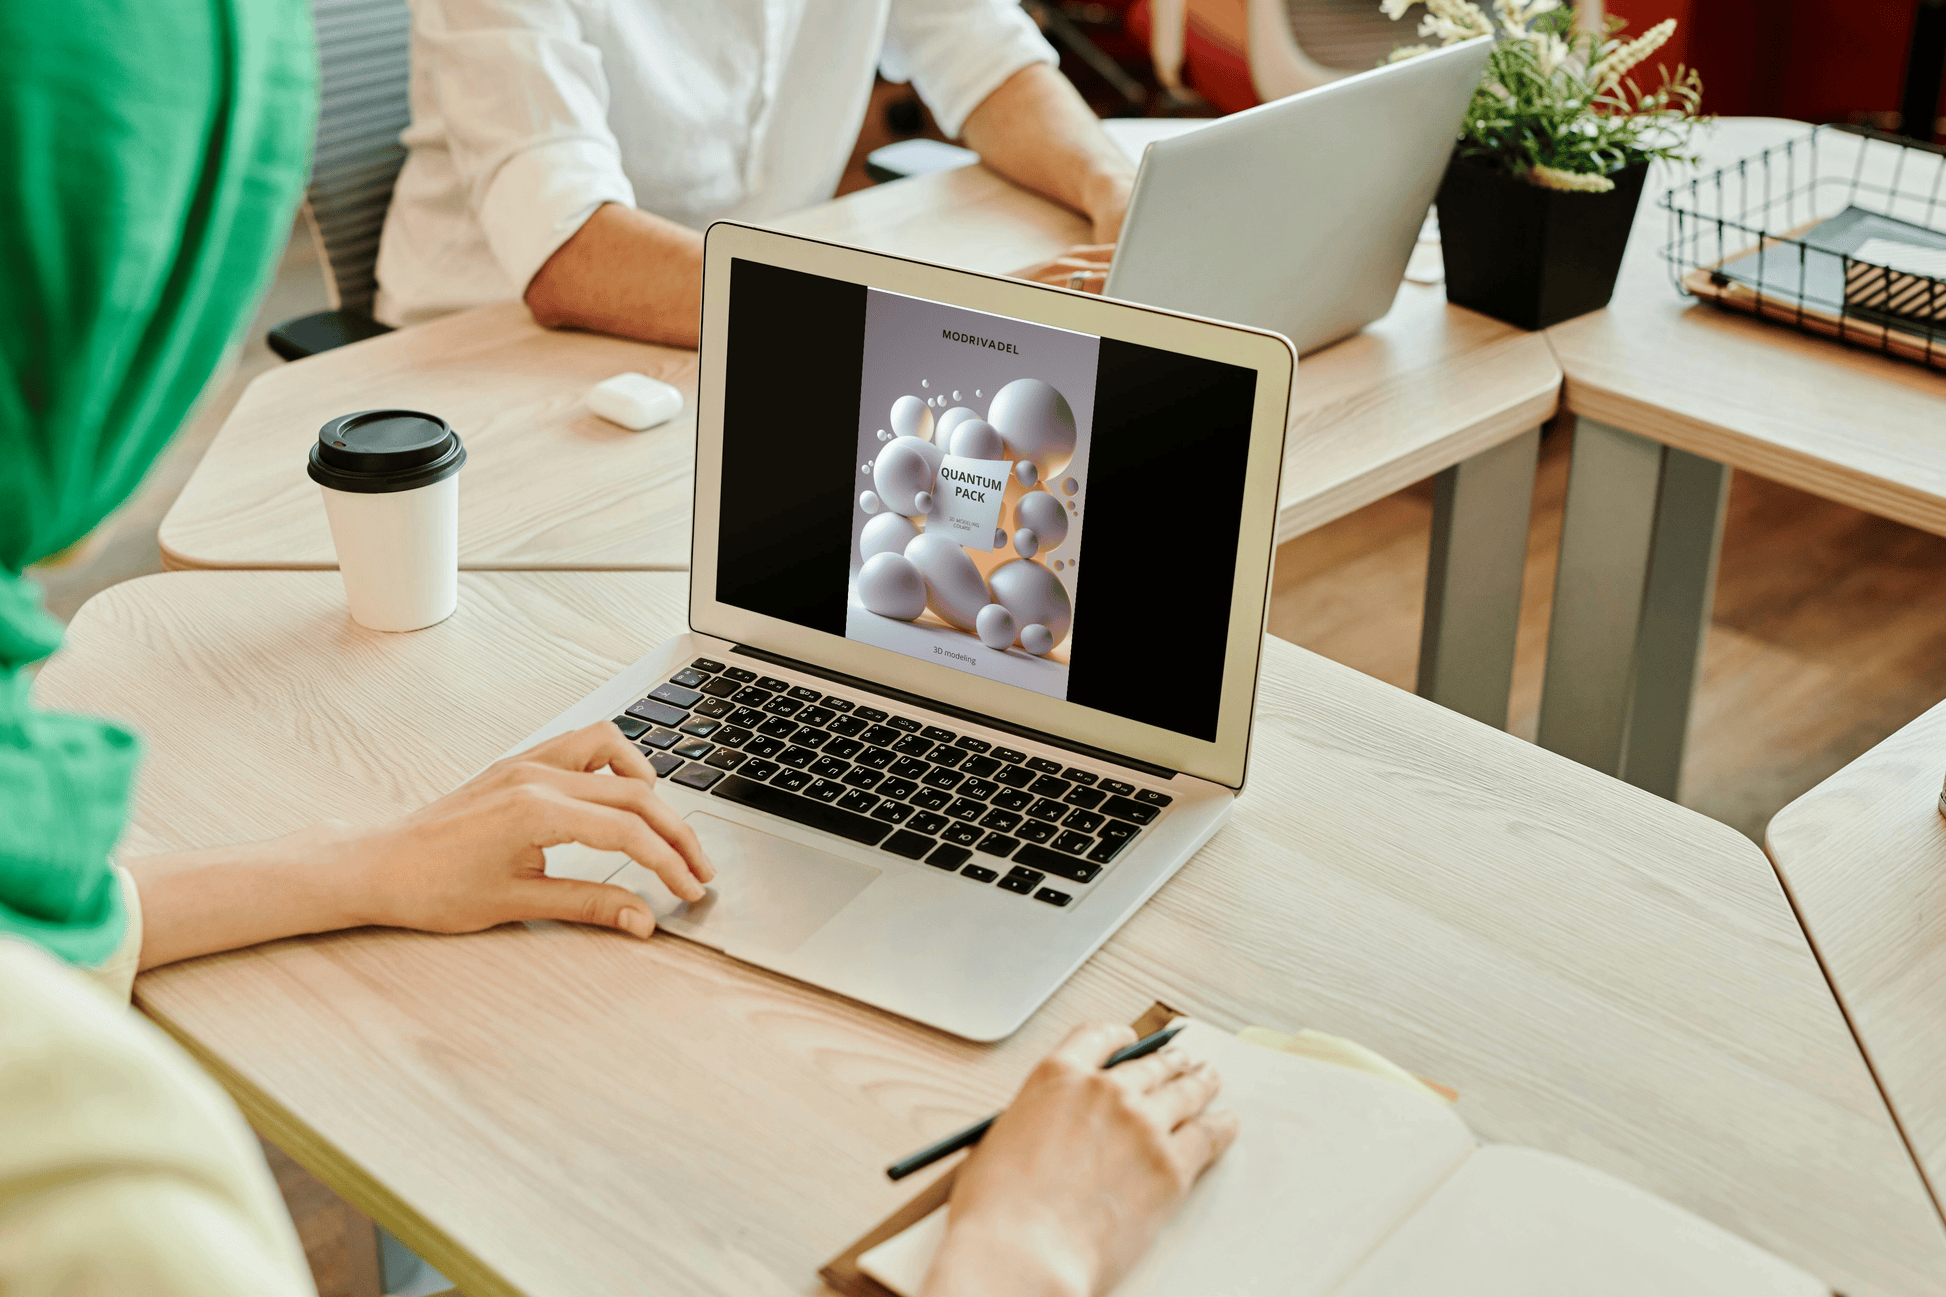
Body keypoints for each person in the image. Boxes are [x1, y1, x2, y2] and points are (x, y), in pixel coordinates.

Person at [0, 8, 1229, 1293]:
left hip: (762, 395)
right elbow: (567, 246)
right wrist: (1022, 1245)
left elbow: (43, 921)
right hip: (509, 397)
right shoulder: (105, 1184)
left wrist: (364, 865)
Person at [373, 0, 1137, 344]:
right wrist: (934, 319)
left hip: (765, 315)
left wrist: (1117, 189)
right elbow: (569, 252)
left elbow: (986, 53)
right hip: (490, 346)